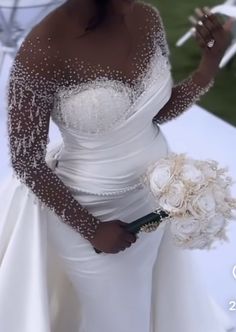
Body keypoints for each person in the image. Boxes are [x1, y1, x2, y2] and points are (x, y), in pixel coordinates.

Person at [0, 0, 235, 331]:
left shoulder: (147, 17)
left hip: (157, 196)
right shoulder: (41, 51)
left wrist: (207, 66)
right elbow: (26, 160)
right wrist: (91, 229)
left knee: (141, 300)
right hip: (91, 213)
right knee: (120, 317)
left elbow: (154, 112)